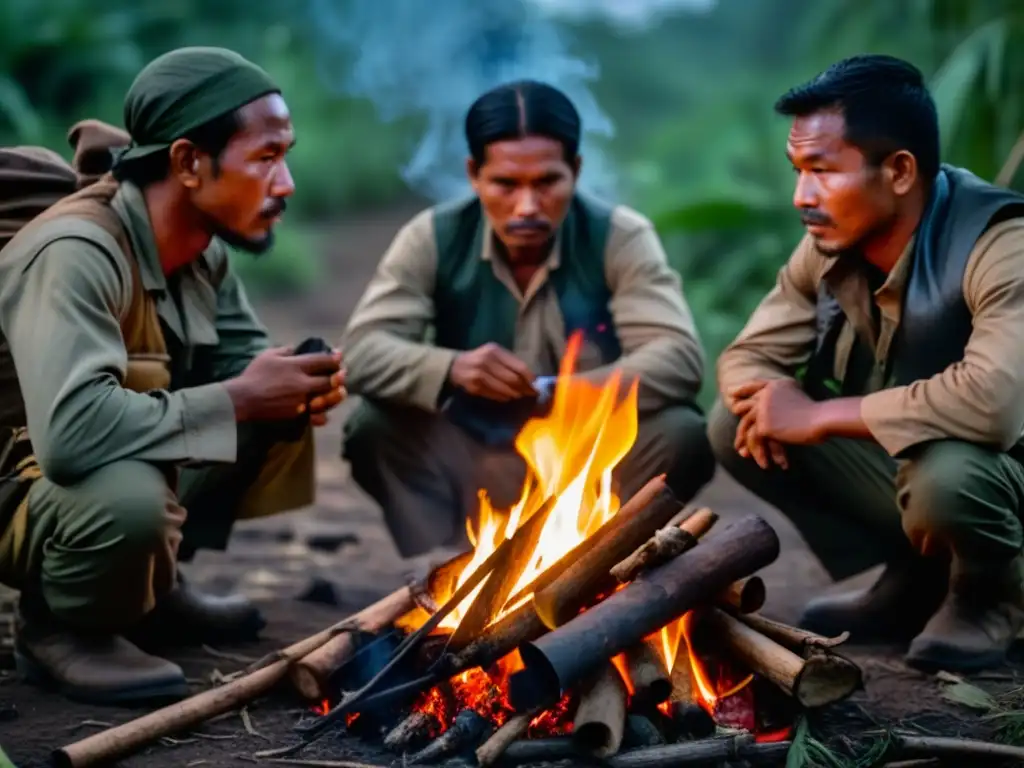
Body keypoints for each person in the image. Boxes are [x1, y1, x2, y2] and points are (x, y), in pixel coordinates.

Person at [0, 46, 346, 704]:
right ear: (188, 162)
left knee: (270, 401)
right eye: (267, 157)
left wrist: (300, 379)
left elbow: (243, 368)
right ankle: (62, 629)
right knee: (132, 496)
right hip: (15, 474)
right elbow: (71, 437)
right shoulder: (74, 252)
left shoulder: (197, 249)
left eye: (287, 154)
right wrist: (242, 396)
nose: (287, 183)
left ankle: (147, 591)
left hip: (59, 469)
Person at [708, 54, 1024, 672]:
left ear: (900, 171)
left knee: (948, 478)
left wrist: (821, 415)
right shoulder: (829, 245)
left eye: (823, 171)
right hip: (926, 467)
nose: (803, 196)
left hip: (996, 481)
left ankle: (989, 598)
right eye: (798, 170)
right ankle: (917, 582)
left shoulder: (1002, 244)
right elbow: (750, 354)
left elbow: (994, 403)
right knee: (734, 424)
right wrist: (769, 398)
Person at [341, 79, 715, 562]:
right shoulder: (432, 236)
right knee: (372, 425)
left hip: (586, 463)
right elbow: (362, 351)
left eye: (547, 183)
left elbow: (679, 358)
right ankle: (462, 557)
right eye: (505, 184)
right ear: (474, 174)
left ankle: (594, 556)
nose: (527, 207)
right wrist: (454, 369)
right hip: (472, 461)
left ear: (575, 171)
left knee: (682, 433)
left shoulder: (620, 236)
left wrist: (561, 396)